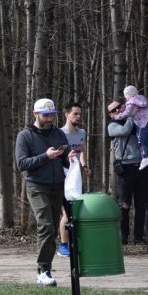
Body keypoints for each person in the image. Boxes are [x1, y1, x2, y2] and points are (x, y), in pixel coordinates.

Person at [15, 98, 75, 286]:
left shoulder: (59, 134)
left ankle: (46, 269)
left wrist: (72, 160)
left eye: (52, 115)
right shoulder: (25, 136)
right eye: (45, 115)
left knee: (52, 230)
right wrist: (45, 156)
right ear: (35, 114)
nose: (49, 119)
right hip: (36, 185)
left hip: (58, 185)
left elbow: (65, 160)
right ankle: (43, 271)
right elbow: (22, 163)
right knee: (47, 225)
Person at [107, 100, 148, 244]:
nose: (119, 110)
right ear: (110, 114)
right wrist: (132, 115)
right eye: (115, 110)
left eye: (120, 107)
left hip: (142, 167)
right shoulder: (113, 125)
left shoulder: (140, 123)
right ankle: (123, 237)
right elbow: (125, 130)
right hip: (126, 169)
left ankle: (138, 237)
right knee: (124, 204)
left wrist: (146, 112)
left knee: (141, 204)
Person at [57, 103, 92, 257]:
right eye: (75, 114)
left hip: (76, 177)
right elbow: (57, 155)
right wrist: (65, 158)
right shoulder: (59, 133)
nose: (78, 117)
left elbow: (81, 151)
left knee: (76, 211)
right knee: (67, 211)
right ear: (67, 114)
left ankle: (74, 243)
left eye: (79, 114)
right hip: (64, 176)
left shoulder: (81, 132)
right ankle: (63, 246)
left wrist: (84, 166)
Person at [113, 86, 148, 171]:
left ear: (128, 94)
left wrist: (117, 117)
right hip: (147, 122)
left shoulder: (131, 102)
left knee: (140, 141)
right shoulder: (140, 98)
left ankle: (145, 157)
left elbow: (127, 113)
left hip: (140, 124)